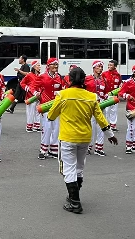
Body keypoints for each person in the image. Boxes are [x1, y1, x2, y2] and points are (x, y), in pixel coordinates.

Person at [47, 66, 117, 214]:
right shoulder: (91, 97)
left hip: (67, 138)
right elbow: (100, 118)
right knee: (79, 168)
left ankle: (75, 202)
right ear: (84, 80)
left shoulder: (62, 95)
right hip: (85, 138)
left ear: (70, 79)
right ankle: (73, 197)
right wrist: (110, 134)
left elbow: (51, 116)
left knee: (69, 169)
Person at [32, 58, 65, 159]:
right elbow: (33, 86)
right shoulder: (42, 76)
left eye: (57, 65)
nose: (56, 66)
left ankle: (53, 149)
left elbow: (63, 89)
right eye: (54, 65)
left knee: (56, 129)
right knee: (47, 128)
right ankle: (43, 150)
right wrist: (35, 93)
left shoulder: (59, 77)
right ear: (48, 66)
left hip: (56, 106)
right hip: (46, 106)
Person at [84, 61, 109, 156]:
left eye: (102, 67)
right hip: (90, 107)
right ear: (94, 68)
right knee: (90, 127)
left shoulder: (104, 80)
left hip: (101, 106)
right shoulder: (87, 79)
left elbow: (106, 92)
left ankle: (99, 148)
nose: (101, 68)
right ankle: (88, 147)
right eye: (98, 66)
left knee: (101, 127)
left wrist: (107, 97)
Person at [20, 60, 42, 132]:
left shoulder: (40, 75)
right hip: (30, 96)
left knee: (38, 111)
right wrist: (28, 88)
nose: (40, 67)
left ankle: (36, 126)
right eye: (38, 65)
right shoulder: (29, 75)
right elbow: (22, 83)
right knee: (30, 111)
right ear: (34, 67)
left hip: (38, 96)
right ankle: (29, 126)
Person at [102, 60, 122, 131]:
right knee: (107, 110)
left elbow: (120, 85)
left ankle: (113, 125)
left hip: (115, 95)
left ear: (115, 66)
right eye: (109, 65)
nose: (109, 66)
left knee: (114, 110)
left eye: (111, 65)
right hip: (107, 95)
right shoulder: (104, 74)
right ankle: (106, 124)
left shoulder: (118, 75)